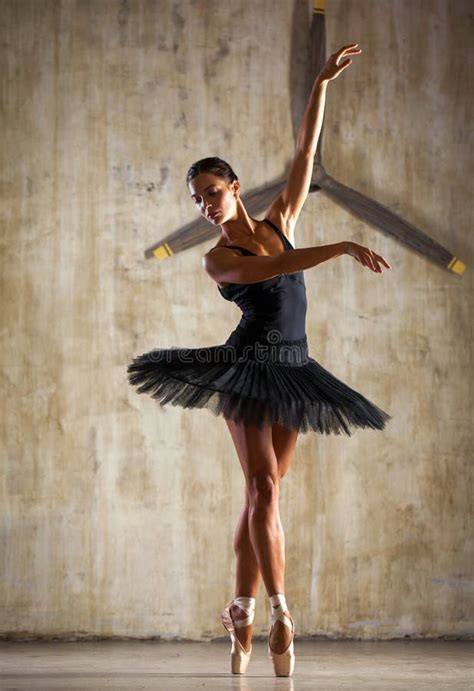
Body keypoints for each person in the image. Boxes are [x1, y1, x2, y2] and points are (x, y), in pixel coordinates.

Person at [127, 43, 392, 677]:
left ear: (235, 186)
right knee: (261, 485)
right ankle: (280, 611)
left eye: (213, 192)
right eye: (198, 201)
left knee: (262, 503)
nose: (207, 205)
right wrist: (342, 245)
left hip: (296, 369)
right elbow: (275, 268)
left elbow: (304, 156)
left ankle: (239, 611)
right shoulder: (216, 258)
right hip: (247, 368)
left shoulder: (279, 218)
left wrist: (320, 86)